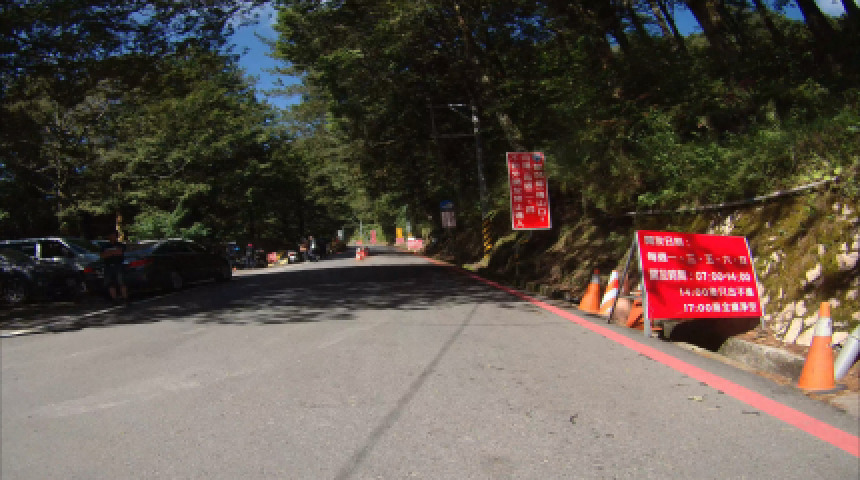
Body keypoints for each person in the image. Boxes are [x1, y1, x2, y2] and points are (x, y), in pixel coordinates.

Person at [100, 230, 129, 304]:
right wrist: (113, 252)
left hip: (118, 265)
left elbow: (120, 252)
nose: (112, 237)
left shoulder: (120, 245)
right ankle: (114, 299)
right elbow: (103, 255)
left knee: (121, 282)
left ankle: (125, 298)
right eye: (110, 235)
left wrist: (109, 253)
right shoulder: (104, 246)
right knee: (110, 283)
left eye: (114, 235)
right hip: (108, 266)